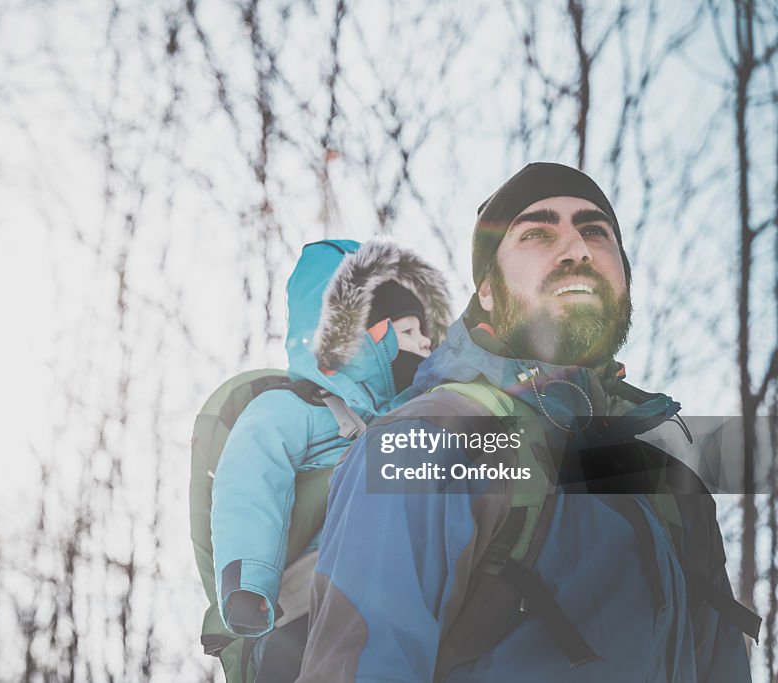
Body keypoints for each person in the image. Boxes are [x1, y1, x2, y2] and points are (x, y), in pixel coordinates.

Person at [297, 163, 755, 682]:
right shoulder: (427, 439)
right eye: (537, 232)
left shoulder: (673, 489)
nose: (576, 249)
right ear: (487, 291)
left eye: (594, 231)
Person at [211, 239, 451, 682]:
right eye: (413, 330)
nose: (427, 343)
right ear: (368, 330)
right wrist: (249, 579)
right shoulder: (292, 409)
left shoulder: (413, 425)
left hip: (392, 610)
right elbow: (249, 483)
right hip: (305, 608)